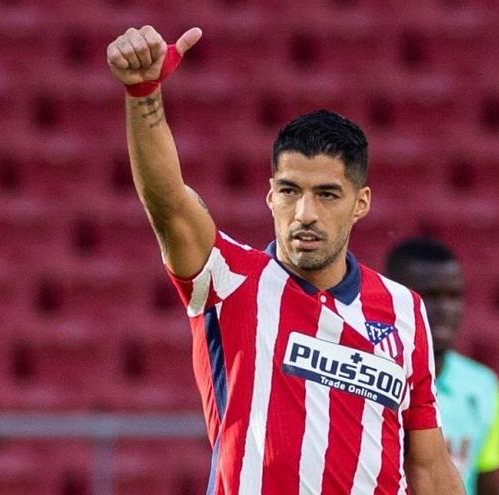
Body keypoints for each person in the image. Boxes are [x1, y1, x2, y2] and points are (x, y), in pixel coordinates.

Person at [106, 26, 464, 494]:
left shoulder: (404, 311)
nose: (305, 214)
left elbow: (429, 467)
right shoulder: (230, 281)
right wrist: (143, 92)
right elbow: (168, 203)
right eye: (290, 191)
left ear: (361, 203)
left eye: (327, 194)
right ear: (270, 195)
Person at [385, 238, 499, 495]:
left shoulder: (483, 385)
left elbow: (487, 483)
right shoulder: (369, 378)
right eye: (428, 296)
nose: (445, 309)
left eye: (454, 296)